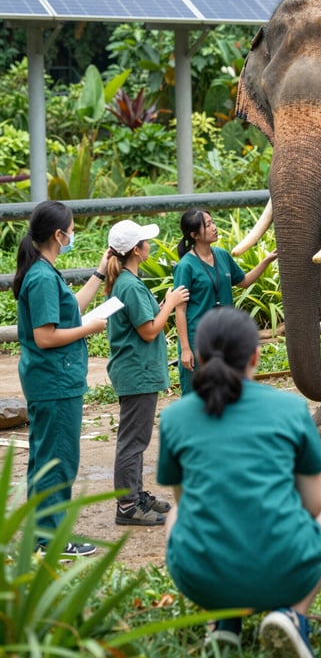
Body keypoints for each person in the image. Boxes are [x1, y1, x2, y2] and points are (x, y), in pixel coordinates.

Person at [157, 306, 321, 655]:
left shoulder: (175, 417)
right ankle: (292, 615)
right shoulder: (291, 409)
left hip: (203, 578)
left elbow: (184, 502)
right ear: (255, 356)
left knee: (175, 517)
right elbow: (314, 505)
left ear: (201, 356)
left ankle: (222, 619)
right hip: (285, 572)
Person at [12, 200, 109, 556]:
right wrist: (88, 330)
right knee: (58, 460)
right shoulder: (41, 277)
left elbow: (72, 311)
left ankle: (42, 536)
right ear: (58, 234)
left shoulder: (45, 272)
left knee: (46, 458)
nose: (72, 234)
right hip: (55, 382)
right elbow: (46, 336)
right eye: (70, 229)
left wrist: (98, 273)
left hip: (51, 381)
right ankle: (50, 541)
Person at [105, 219, 189, 527]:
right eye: (145, 242)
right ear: (137, 251)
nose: (149, 246)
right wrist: (170, 302)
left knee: (135, 438)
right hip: (136, 373)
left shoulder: (125, 281)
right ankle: (127, 505)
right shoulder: (129, 285)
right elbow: (150, 331)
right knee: (133, 441)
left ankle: (136, 495)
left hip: (135, 371)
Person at [173, 208, 277, 395]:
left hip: (226, 335)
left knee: (227, 389)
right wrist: (186, 349)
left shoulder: (222, 255)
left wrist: (267, 261)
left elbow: (244, 282)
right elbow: (180, 310)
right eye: (208, 224)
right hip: (198, 338)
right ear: (194, 234)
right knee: (197, 394)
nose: (214, 227)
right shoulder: (185, 266)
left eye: (213, 222)